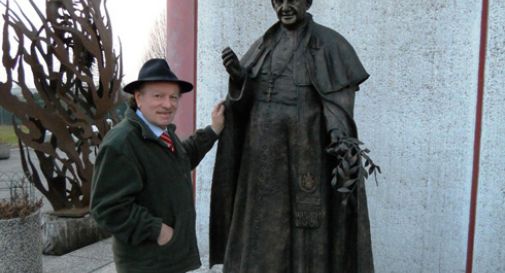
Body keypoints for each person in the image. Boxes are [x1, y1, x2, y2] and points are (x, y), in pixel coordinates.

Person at [210, 0, 374, 272]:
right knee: (262, 224)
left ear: (307, 2)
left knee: (306, 224)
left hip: (306, 150)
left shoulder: (330, 45)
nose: (285, 6)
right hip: (261, 155)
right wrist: (240, 78)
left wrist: (338, 137)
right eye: (278, 0)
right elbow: (244, 103)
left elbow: (337, 103)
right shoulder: (263, 44)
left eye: (292, 0)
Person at [90, 58, 225, 273]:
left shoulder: (162, 134)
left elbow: (183, 157)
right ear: (138, 98)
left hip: (169, 260)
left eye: (173, 97)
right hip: (147, 263)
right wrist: (158, 231)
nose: (168, 104)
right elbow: (107, 209)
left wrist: (213, 130)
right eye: (158, 96)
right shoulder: (122, 143)